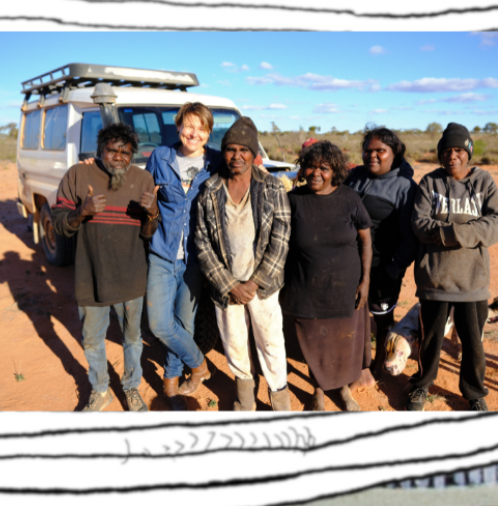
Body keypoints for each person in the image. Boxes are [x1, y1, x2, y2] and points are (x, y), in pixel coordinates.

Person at [52, 123, 159, 412]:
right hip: (91, 276)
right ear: (100, 150)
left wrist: (153, 213)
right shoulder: (78, 174)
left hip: (132, 276)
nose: (120, 157)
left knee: (133, 339)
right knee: (91, 340)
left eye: (126, 153)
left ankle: (131, 388)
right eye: (113, 150)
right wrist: (81, 212)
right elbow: (60, 225)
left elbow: (149, 233)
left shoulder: (143, 179)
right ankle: (100, 390)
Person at [407, 122, 498, 411]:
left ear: (469, 153)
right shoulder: (430, 182)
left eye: (459, 150)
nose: (453, 156)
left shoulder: (484, 182)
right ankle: (422, 385)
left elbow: (497, 224)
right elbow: (420, 224)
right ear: (441, 154)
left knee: (472, 343)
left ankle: (474, 392)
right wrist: (467, 231)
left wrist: (449, 233)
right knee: (430, 340)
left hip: (472, 280)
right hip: (434, 278)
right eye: (447, 150)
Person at [195, 117, 291, 411]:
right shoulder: (210, 191)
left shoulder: (272, 188)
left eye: (243, 149)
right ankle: (245, 399)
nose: (237, 156)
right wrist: (230, 285)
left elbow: (282, 238)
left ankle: (279, 398)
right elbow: (202, 243)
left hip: (263, 286)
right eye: (230, 149)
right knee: (234, 344)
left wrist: (254, 282)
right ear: (222, 152)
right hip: (226, 289)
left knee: (270, 342)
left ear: (253, 153)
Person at [282, 140, 373, 412]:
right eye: (310, 166)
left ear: (335, 171)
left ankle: (344, 388)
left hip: (345, 286)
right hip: (305, 285)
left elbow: (366, 241)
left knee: (343, 340)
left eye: (324, 167)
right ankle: (318, 390)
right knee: (315, 342)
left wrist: (365, 280)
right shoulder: (294, 200)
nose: (316, 173)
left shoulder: (349, 198)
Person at [144, 102, 220, 410]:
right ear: (178, 127)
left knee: (184, 325)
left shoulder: (215, 162)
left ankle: (171, 385)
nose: (194, 133)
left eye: (202, 129)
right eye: (189, 126)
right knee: (160, 324)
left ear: (208, 133)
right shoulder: (160, 157)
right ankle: (200, 365)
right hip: (162, 253)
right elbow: (143, 192)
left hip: (195, 258)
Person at [345, 127, 418, 388]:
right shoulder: (355, 176)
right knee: (353, 313)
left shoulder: (405, 187)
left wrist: (394, 269)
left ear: (394, 153)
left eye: (380, 151)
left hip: (382, 267)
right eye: (368, 150)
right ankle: (355, 361)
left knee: (382, 318)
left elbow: (410, 237)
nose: (372, 155)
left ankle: (378, 362)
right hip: (349, 262)